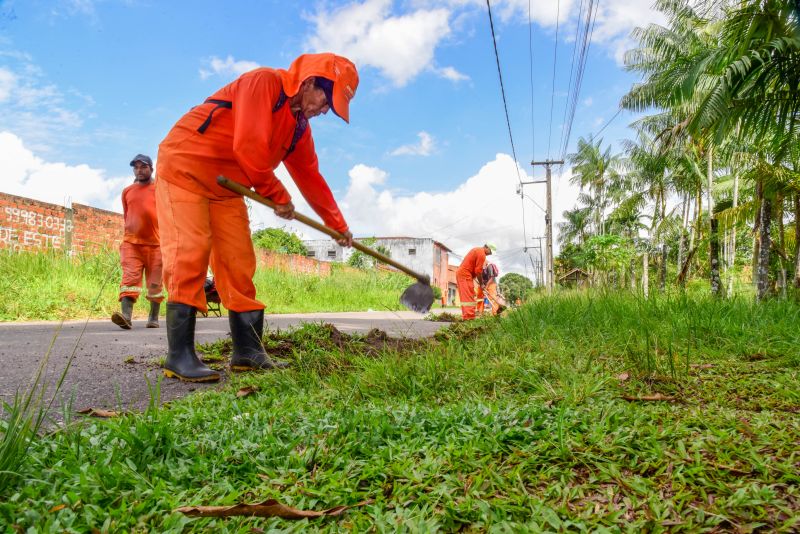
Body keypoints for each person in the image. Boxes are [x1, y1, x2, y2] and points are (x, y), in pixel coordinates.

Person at [156, 53, 358, 382]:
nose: (325, 111)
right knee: (189, 252)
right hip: (185, 169)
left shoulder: (298, 130)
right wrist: (278, 196)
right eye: (326, 102)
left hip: (227, 188)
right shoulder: (263, 83)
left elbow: (311, 178)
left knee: (239, 262)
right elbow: (248, 146)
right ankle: (179, 356)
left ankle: (248, 352)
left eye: (331, 109)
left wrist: (338, 226)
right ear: (308, 83)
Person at [111, 154, 164, 330]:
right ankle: (126, 316)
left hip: (157, 244)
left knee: (155, 283)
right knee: (129, 279)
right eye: (136, 167)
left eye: (144, 167)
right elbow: (127, 214)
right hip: (132, 244)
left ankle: (153, 317)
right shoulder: (127, 191)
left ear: (151, 169)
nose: (139, 170)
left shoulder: (161, 188)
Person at [455, 243, 495, 320]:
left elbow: (475, 270)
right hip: (465, 275)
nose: (490, 254)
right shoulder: (481, 254)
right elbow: (478, 271)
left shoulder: (477, 250)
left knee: (469, 295)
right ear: (487, 247)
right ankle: (469, 318)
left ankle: (467, 316)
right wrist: (482, 284)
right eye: (490, 252)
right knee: (468, 297)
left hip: (466, 275)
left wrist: (477, 280)